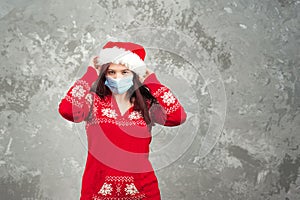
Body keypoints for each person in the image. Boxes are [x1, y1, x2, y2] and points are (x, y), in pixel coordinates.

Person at [58, 41, 187, 200]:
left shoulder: (146, 105)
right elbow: (67, 110)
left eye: (124, 72)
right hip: (97, 192)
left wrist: (152, 80)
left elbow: (177, 117)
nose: (117, 78)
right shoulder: (93, 101)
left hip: (143, 192)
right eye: (111, 72)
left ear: (134, 74)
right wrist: (90, 74)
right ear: (104, 73)